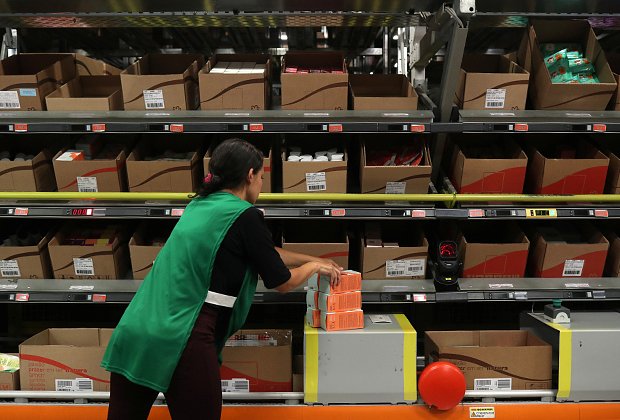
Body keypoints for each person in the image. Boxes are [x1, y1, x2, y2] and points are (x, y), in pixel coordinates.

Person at [102, 138, 341, 420]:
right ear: (250, 175)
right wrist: (313, 268)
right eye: (262, 178)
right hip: (184, 333)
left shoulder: (200, 205)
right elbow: (283, 282)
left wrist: (309, 258)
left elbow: (261, 252)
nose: (262, 187)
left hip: (137, 328)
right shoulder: (246, 216)